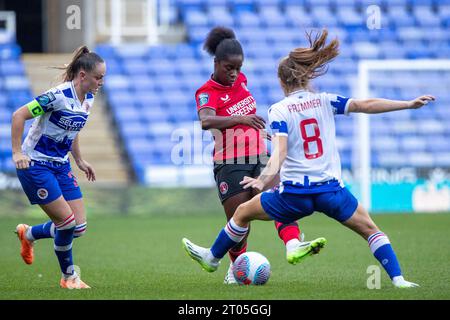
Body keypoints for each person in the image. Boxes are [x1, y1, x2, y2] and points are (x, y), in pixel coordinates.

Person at [183, 29, 435, 288]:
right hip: (330, 189)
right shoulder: (326, 101)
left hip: (296, 192)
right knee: (371, 230)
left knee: (242, 214)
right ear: (305, 76)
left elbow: (280, 153)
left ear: (282, 83)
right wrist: (407, 104)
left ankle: (213, 257)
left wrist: (263, 179)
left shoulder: (279, 110)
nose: (235, 73)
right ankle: (399, 279)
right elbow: (365, 104)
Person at [194, 27, 309, 284]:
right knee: (240, 221)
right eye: (228, 68)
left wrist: (257, 131)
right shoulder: (206, 91)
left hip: (258, 154)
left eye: (238, 67)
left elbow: (246, 115)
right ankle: (236, 270)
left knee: (280, 198)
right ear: (216, 63)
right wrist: (241, 119)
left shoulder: (242, 80)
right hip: (229, 162)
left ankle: (293, 245)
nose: (234, 73)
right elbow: (205, 121)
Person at [12, 45, 105, 289]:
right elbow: (18, 115)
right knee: (66, 223)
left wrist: (80, 160)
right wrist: (17, 152)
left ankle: (29, 234)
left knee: (79, 227)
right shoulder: (56, 96)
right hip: (36, 165)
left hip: (61, 165)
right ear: (83, 75)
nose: (101, 82)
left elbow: (72, 131)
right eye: (98, 77)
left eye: (103, 77)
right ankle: (69, 277)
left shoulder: (89, 99)